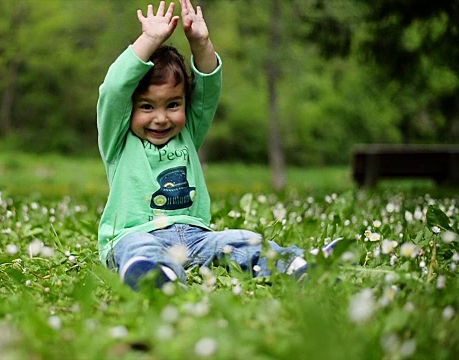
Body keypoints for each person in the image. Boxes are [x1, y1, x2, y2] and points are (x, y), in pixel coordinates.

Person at [97, 0, 326, 290]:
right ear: (129, 109)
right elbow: (114, 90)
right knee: (138, 248)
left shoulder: (188, 131)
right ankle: (154, 275)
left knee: (238, 240)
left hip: (196, 238)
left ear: (185, 104)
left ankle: (295, 263)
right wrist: (150, 39)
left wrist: (201, 43)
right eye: (146, 106)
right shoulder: (118, 139)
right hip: (134, 235)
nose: (160, 118)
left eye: (172, 104)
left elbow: (208, 88)